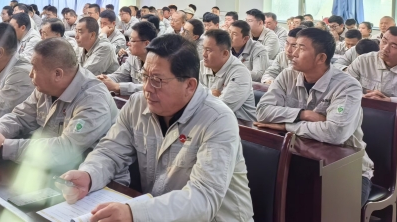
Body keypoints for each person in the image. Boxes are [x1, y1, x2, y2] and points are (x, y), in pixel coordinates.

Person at [58, 35, 254, 222]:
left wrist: (134, 213)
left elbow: (203, 199)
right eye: (145, 76)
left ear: (189, 85)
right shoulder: (138, 104)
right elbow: (110, 152)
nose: (147, 88)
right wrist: (89, 175)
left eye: (157, 81)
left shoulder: (218, 119)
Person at [255, 28, 374, 206]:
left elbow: (335, 133)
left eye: (301, 48)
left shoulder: (348, 86)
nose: (292, 52)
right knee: (272, 199)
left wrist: (287, 126)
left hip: (346, 167)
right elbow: (262, 112)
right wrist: (303, 114)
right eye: (293, 46)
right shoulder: (287, 75)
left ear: (321, 58)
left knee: (333, 211)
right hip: (299, 158)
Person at [0, 38, 119, 170]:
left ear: (57, 74)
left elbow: (65, 150)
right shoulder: (46, 87)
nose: (30, 73)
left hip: (91, 177)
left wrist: (3, 146)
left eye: (35, 68)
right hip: (49, 166)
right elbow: (20, 117)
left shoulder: (93, 100)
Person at [200, 29, 256, 121]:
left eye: (208, 50)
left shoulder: (240, 73)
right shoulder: (202, 65)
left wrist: (203, 96)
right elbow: (188, 98)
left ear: (225, 53)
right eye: (203, 48)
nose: (204, 54)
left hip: (241, 125)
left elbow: (221, 109)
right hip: (209, 121)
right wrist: (210, 94)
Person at [98, 21, 156, 96]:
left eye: (132, 40)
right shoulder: (134, 57)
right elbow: (119, 75)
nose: (128, 43)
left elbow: (152, 88)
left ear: (146, 44)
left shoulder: (159, 63)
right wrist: (103, 79)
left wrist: (118, 87)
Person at [347, 26, 397, 101]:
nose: (385, 48)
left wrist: (390, 100)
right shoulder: (363, 61)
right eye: (384, 42)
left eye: (393, 46)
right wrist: (366, 97)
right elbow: (344, 86)